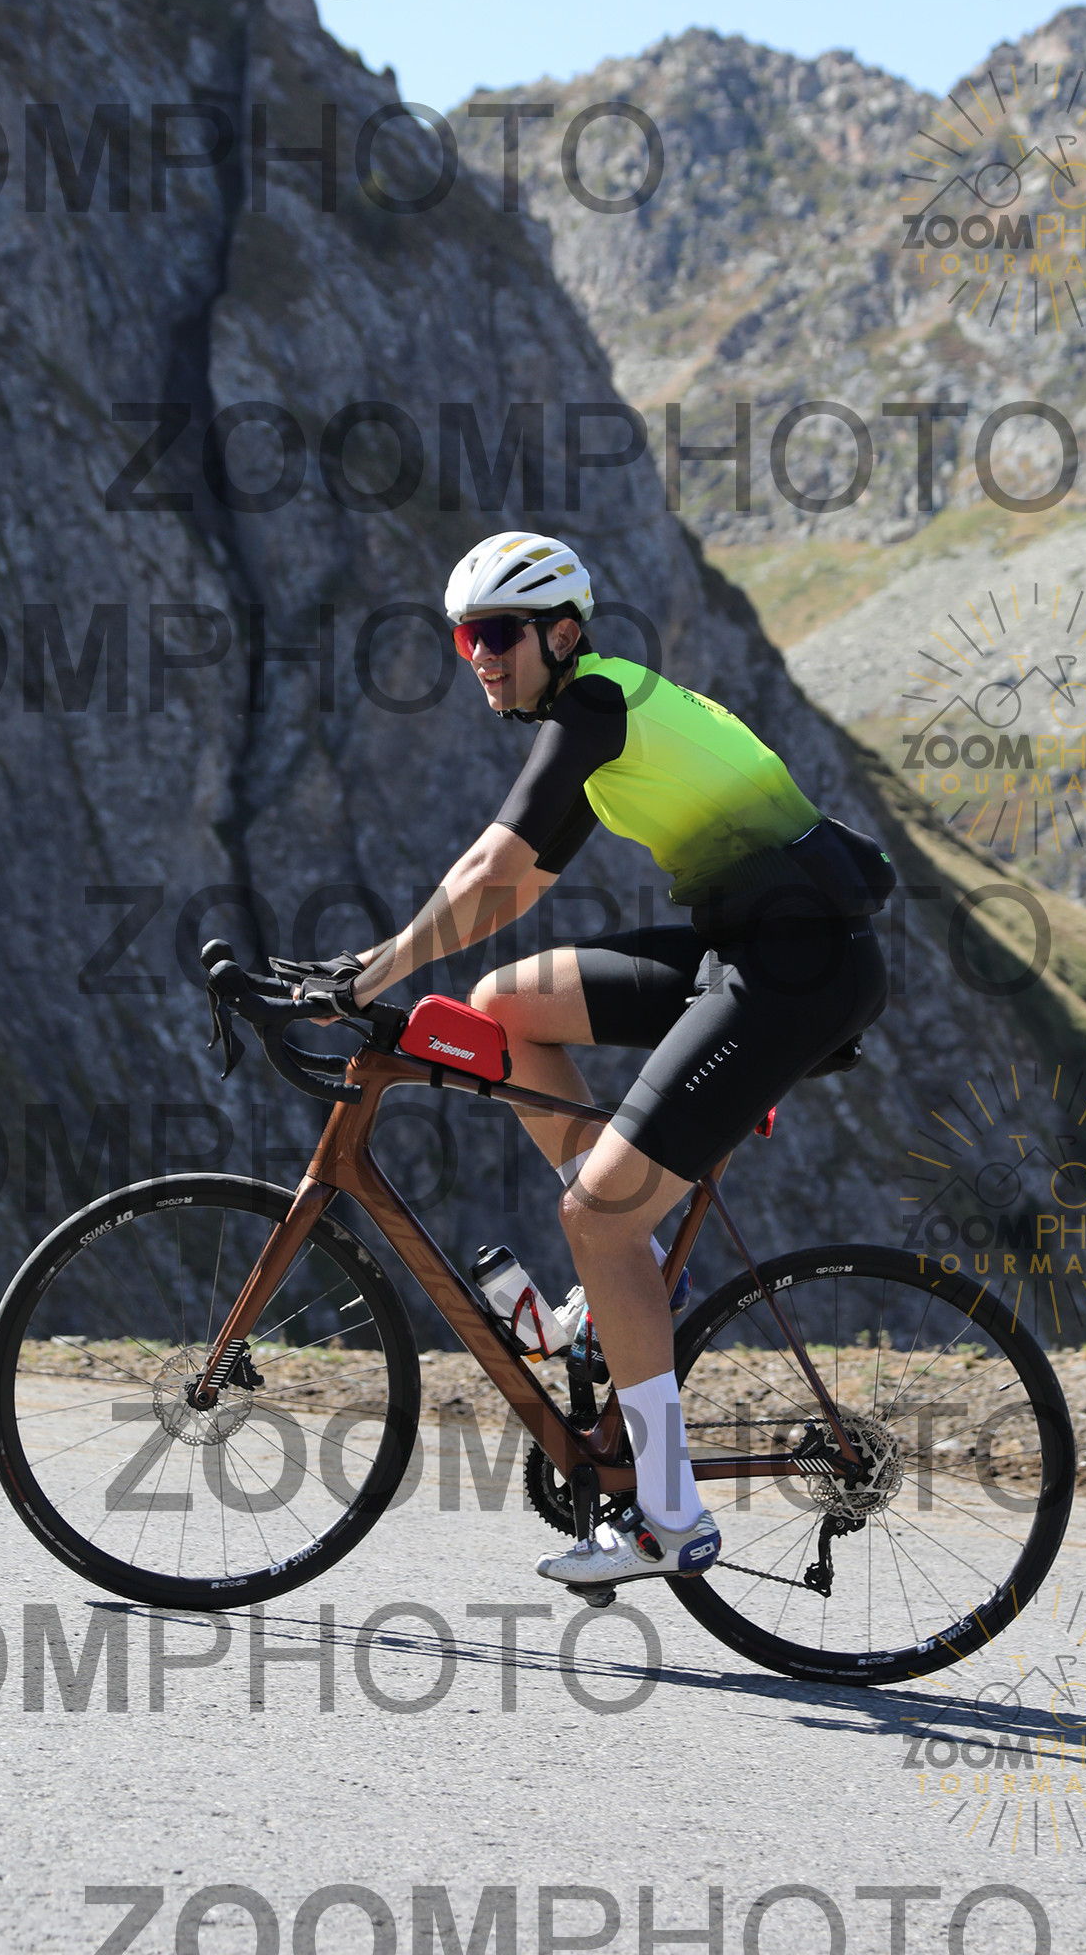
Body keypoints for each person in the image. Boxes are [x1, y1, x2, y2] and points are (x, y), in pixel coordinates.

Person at [286, 531, 890, 1590]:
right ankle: (636, 1274)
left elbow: (489, 864)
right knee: (502, 1007)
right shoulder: (596, 718)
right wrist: (391, 965)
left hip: (796, 970)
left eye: (497, 634)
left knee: (594, 1215)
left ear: (562, 634)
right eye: (465, 638)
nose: (479, 656)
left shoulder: (595, 705)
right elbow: (513, 889)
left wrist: (377, 971)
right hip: (752, 946)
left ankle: (668, 1515)